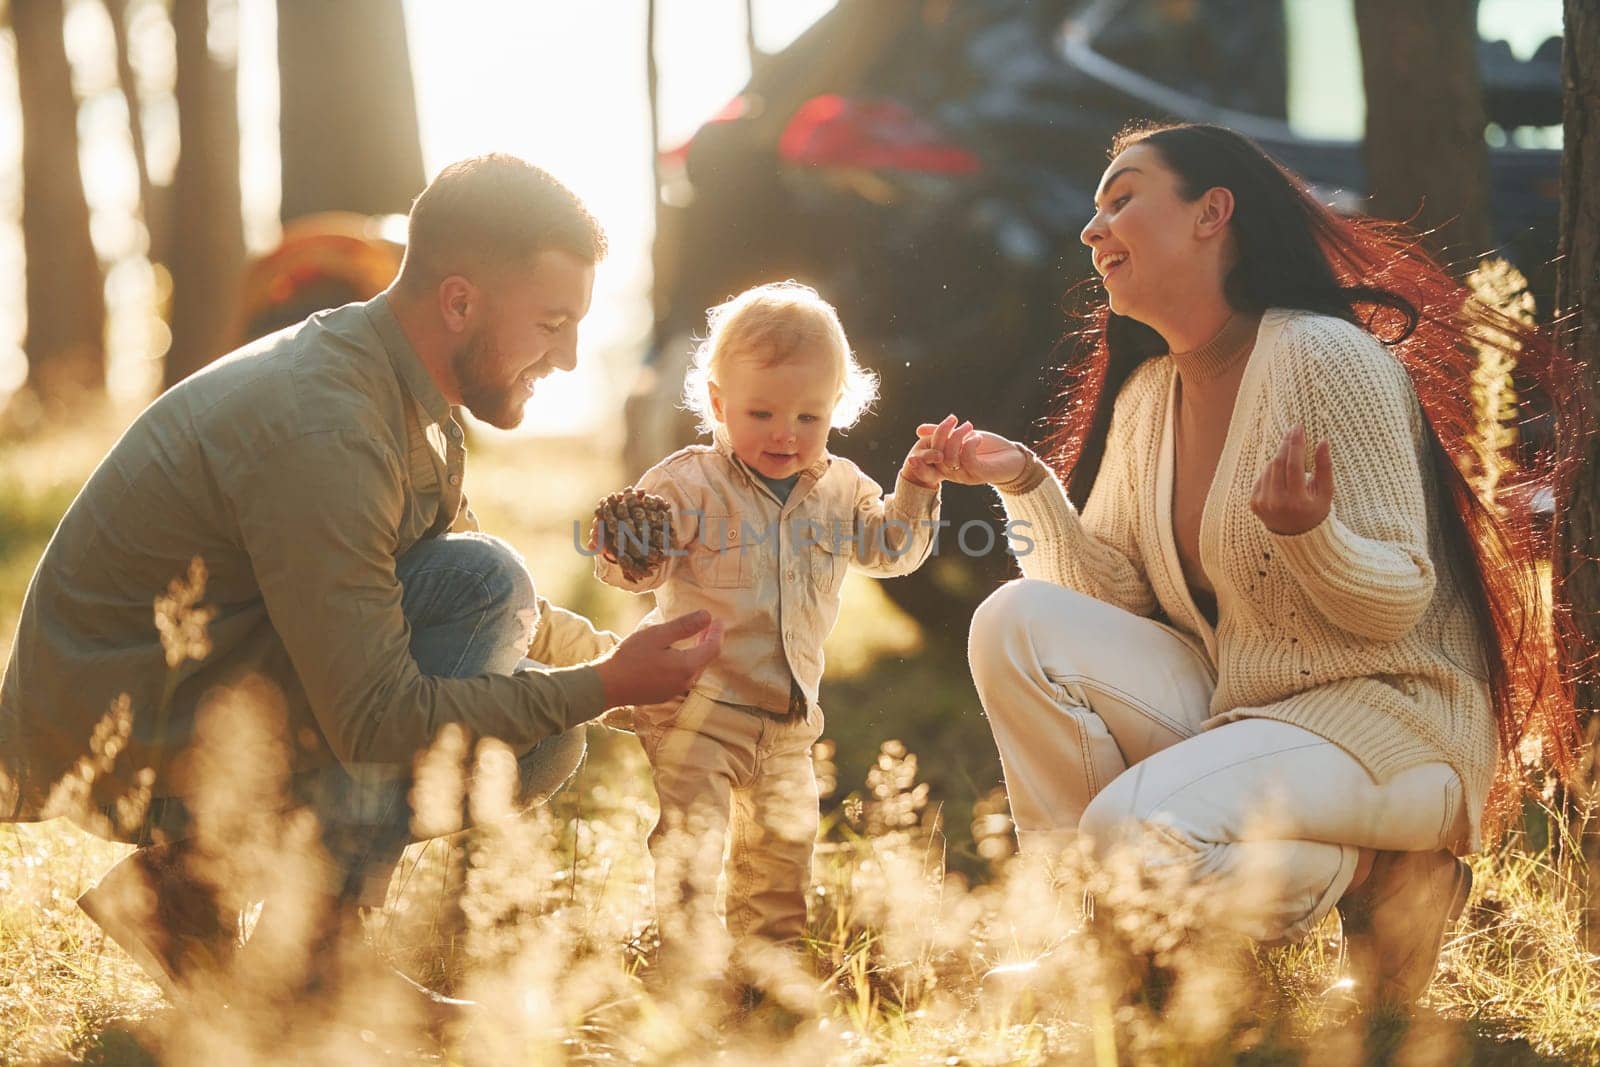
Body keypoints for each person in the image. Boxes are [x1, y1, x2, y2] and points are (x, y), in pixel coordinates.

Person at [0, 154, 722, 1015]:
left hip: (214, 675)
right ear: (459, 301)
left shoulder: (404, 389)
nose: (568, 358)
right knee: (493, 597)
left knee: (544, 734)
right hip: (124, 723)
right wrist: (604, 683)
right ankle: (317, 965)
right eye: (553, 322)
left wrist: (620, 675)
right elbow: (380, 716)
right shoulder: (329, 424)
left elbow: (463, 594)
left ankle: (181, 897)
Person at [924, 123, 1581, 1010]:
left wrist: (1314, 536)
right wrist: (1028, 485)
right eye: (1094, 210)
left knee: (1130, 828)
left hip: (1387, 723)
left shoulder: (1326, 356)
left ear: (1213, 214)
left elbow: (1398, 601)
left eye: (1122, 198)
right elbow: (1111, 592)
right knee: (1014, 620)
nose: (1092, 229)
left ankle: (1381, 873)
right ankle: (1170, 917)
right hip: (1249, 710)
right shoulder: (1153, 395)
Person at [591, 281, 946, 989]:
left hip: (787, 721)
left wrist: (916, 485)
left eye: (808, 416)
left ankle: (768, 972)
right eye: (761, 412)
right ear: (719, 404)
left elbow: (892, 550)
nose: (785, 432)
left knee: (783, 851)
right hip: (698, 706)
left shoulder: (844, 490)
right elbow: (637, 572)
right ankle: (687, 970)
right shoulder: (687, 485)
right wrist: (628, 548)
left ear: (837, 408)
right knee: (693, 839)